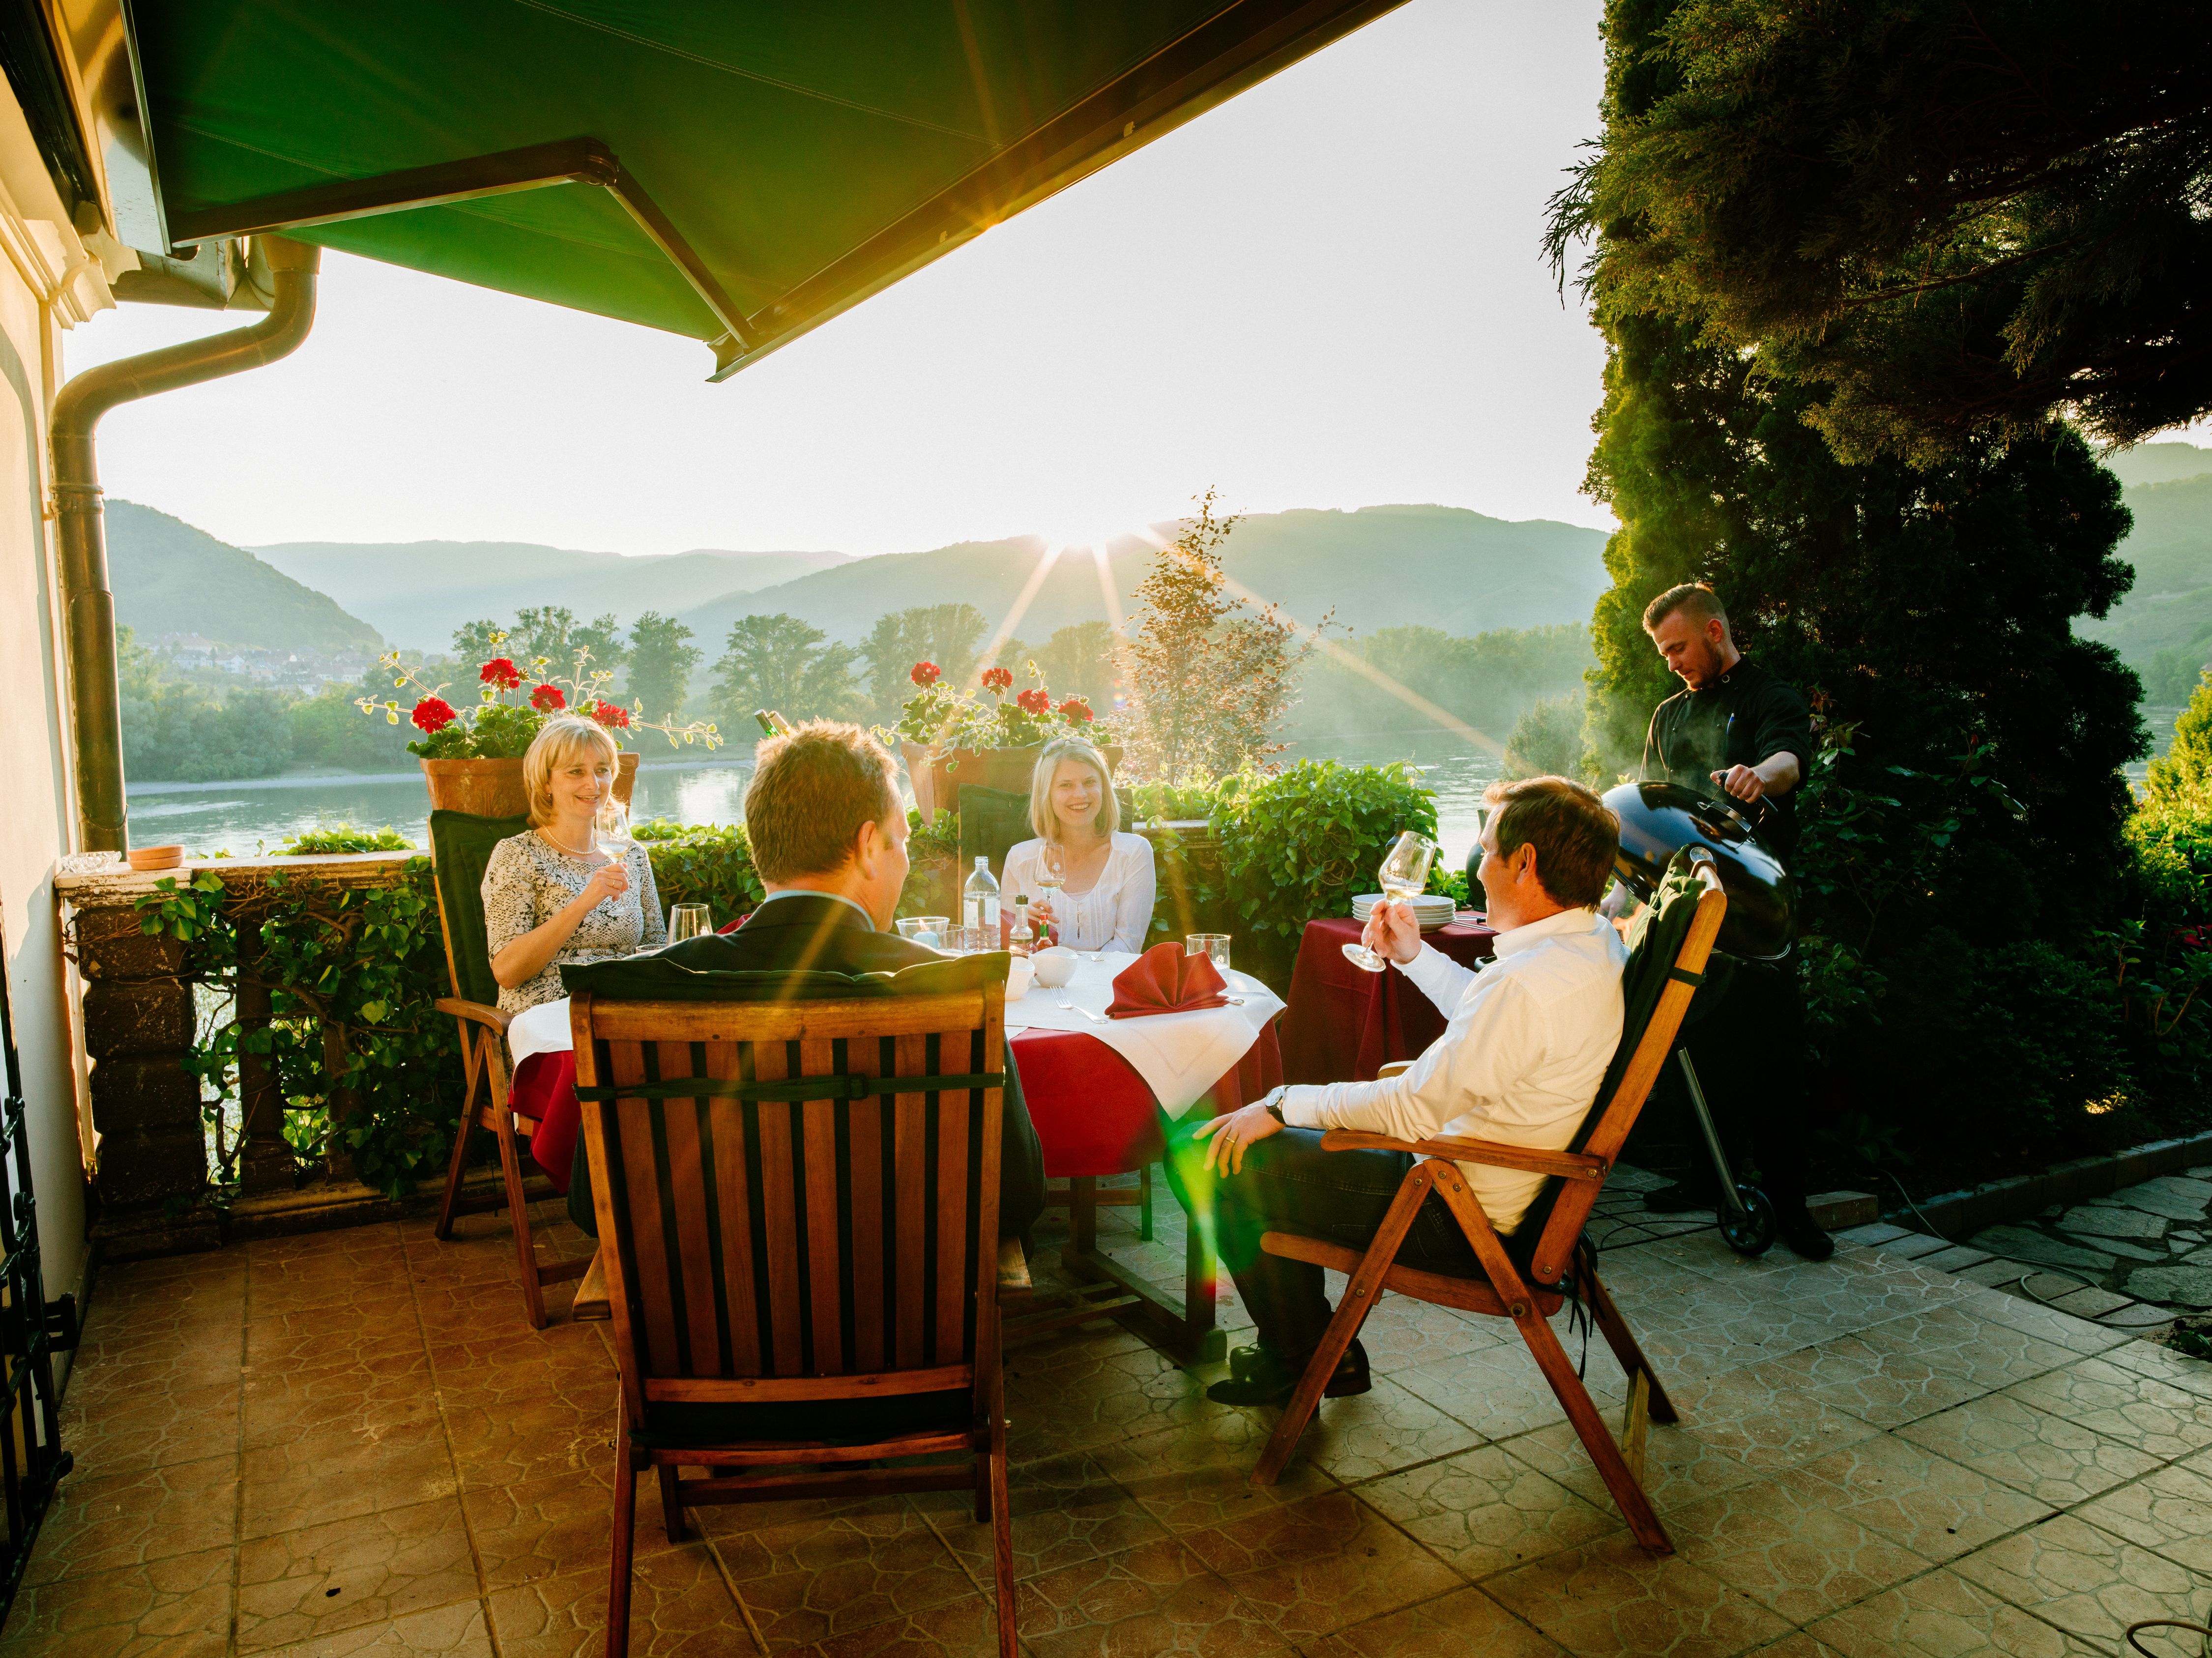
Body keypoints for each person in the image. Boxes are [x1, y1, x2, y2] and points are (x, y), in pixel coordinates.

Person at [1183, 777, 1628, 1406]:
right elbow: (1494, 1032)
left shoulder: (1530, 983)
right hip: (1473, 1184)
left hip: (1451, 1211)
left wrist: (1281, 1103)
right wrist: (1416, 957)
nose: (1478, 868)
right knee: (1250, 1152)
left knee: (1209, 1156)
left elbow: (1412, 1106)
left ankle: (1301, 1356)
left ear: (1525, 862)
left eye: (1487, 849)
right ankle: (1308, 1349)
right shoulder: (1587, 946)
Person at [568, 720, 1046, 1243]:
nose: (904, 860)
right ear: (868, 846)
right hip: (907, 1313)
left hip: (718, 1316)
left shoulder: (643, 986)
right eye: (901, 842)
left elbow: (593, 1208)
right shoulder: (952, 984)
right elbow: (1017, 1197)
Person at [1636, 581, 1830, 1260]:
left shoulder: (1769, 697)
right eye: (1664, 652)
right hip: (1692, 911)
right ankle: (1706, 1177)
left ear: (1715, 632)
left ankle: (1794, 1209)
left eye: (1680, 647)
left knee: (1775, 1066)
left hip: (1759, 913)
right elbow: (1652, 805)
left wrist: (1758, 775)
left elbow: (1790, 762)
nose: (1673, 662)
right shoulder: (1664, 716)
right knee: (1695, 1052)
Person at [484, 715, 664, 1015]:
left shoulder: (631, 855)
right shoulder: (517, 855)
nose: (593, 784)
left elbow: (656, 947)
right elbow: (507, 972)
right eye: (576, 772)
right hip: (551, 1020)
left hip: (625, 1014)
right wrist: (584, 903)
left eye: (602, 770)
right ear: (546, 782)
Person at [1001, 734, 1157, 953]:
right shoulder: (1020, 859)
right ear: (1047, 794)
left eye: (1090, 782)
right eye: (1066, 785)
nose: (1080, 795)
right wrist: (1023, 929)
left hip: (1107, 984)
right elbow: (1010, 951)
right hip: (1041, 984)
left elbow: (1127, 946)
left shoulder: (1134, 853)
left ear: (1104, 788)